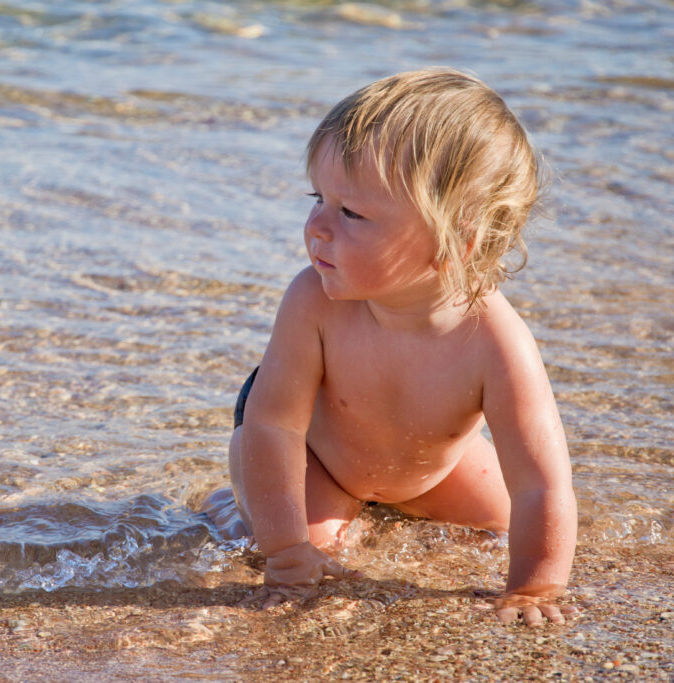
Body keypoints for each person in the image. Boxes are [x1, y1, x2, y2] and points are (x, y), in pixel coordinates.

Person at [215, 67, 577, 627]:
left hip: (428, 469)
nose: (316, 227)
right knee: (316, 551)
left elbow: (541, 483)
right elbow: (274, 428)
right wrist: (285, 555)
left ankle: (395, 507)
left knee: (505, 527)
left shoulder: (496, 343)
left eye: (351, 213)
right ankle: (226, 507)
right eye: (318, 198)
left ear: (457, 240)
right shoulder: (314, 301)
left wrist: (535, 585)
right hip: (314, 455)